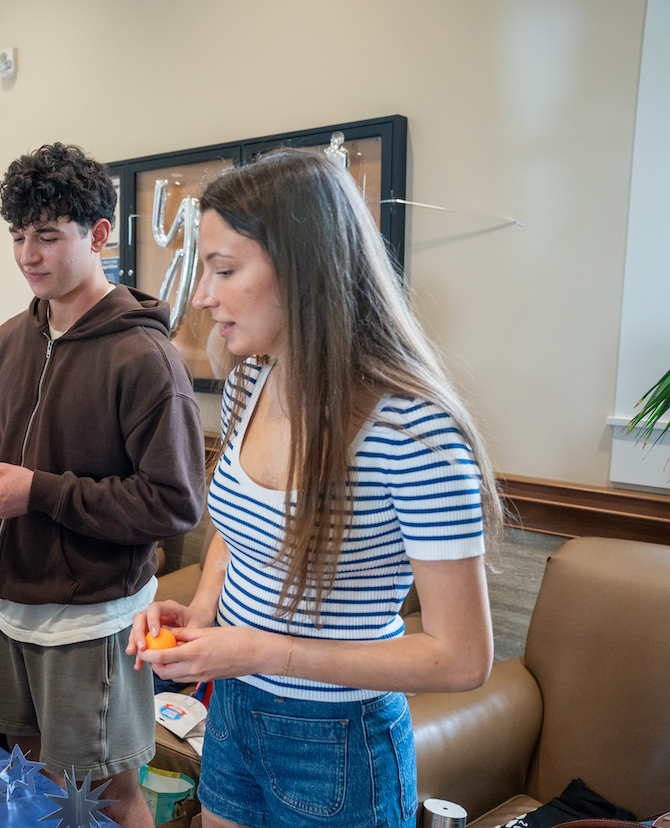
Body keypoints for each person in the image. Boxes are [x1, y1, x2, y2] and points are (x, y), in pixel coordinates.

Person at [129, 149, 503, 828]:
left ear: (303, 271)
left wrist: (263, 647)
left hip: (339, 739)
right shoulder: (251, 380)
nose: (204, 294)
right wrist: (204, 612)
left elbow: (463, 656)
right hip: (236, 708)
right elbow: (235, 536)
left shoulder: (413, 430)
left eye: (224, 269)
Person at [0, 142, 206, 828]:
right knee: (25, 764)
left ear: (99, 235)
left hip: (93, 619)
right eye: (19, 235)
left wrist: (39, 491)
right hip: (3, 604)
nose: (28, 253)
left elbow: (174, 503)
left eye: (48, 235)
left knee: (105, 792)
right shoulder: (5, 341)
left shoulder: (145, 357)